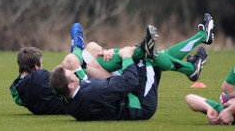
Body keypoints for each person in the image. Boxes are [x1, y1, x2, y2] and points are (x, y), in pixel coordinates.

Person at [49, 13, 214, 121]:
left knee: (141, 52)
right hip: (141, 103)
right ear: (70, 84)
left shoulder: (70, 96)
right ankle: (190, 68)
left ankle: (198, 43)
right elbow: (129, 82)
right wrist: (126, 58)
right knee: (148, 56)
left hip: (124, 91)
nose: (74, 73)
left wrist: (110, 54)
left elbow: (84, 79)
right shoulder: (90, 93)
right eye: (71, 74)